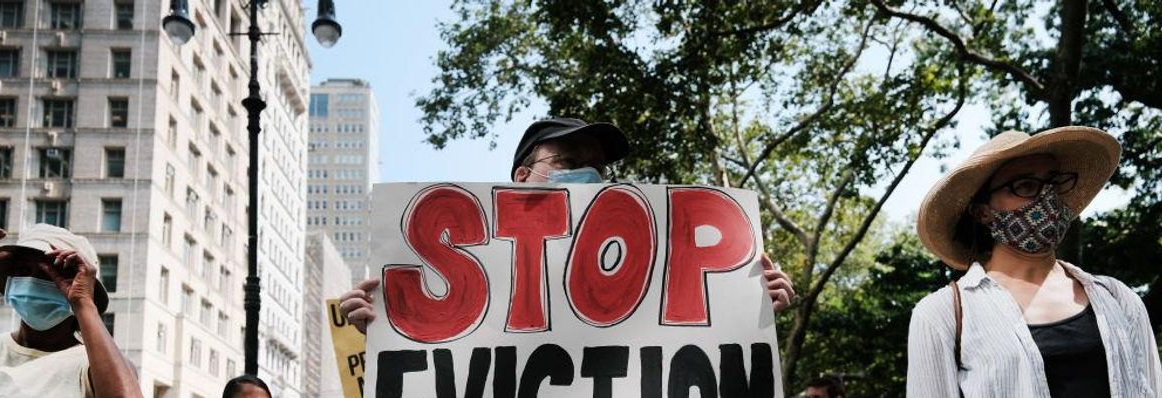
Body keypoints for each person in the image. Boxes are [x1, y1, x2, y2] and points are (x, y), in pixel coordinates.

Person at [341, 117, 797, 333]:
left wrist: (744, 314)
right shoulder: (456, 265)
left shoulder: (647, 262)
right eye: (568, 161)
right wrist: (381, 336)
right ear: (522, 176)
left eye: (597, 167)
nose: (587, 175)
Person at [906, 126, 1162, 397]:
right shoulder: (943, 315)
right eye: (1026, 186)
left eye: (1054, 182)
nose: (1047, 198)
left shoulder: (1118, 298)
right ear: (983, 212)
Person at [0, 222, 143, 397]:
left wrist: (83, 303)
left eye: (48, 273)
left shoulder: (97, 368)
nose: (31, 282)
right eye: (23, 270)